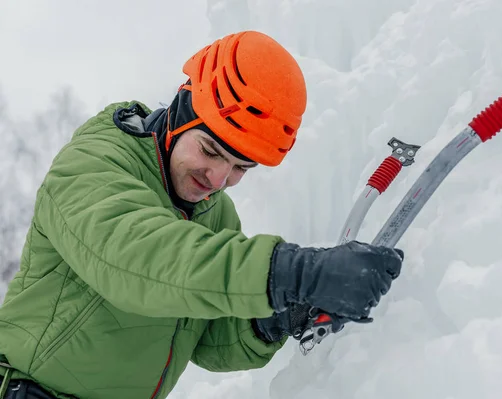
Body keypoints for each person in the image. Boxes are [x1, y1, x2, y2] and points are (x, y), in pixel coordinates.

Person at [0, 30, 404, 399]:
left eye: (241, 168)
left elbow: (210, 338)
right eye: (211, 151)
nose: (218, 179)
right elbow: (141, 260)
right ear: (179, 112)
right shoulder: (95, 165)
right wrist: (292, 272)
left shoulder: (215, 213)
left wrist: (281, 314)